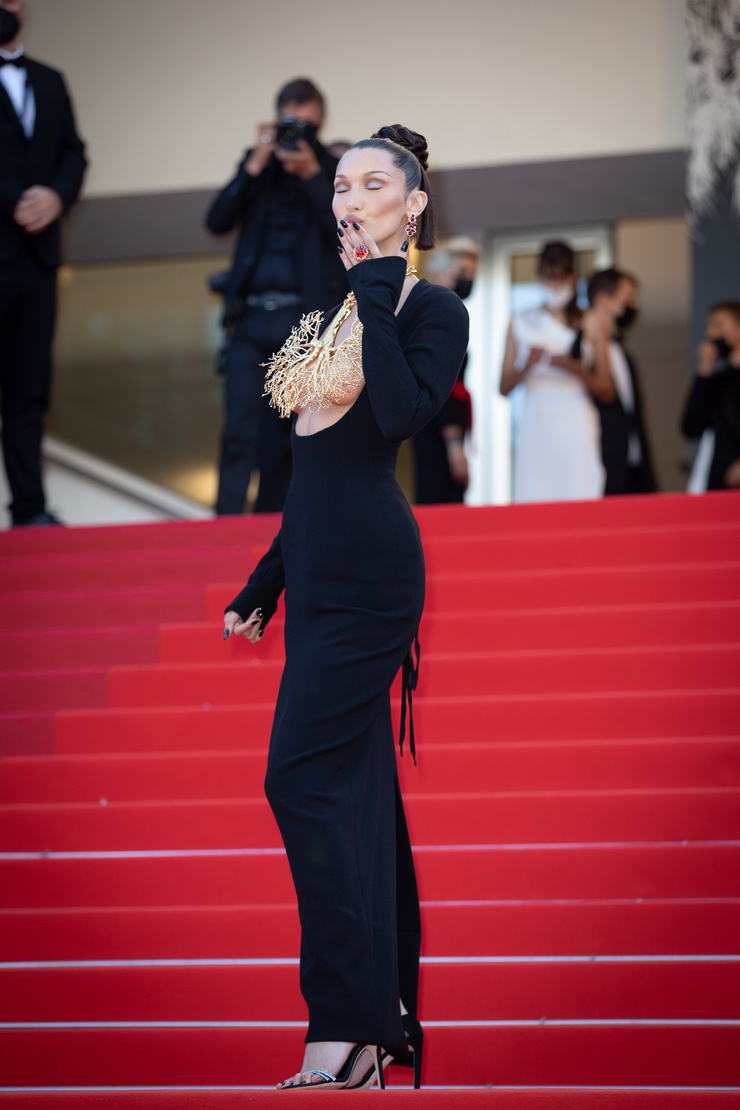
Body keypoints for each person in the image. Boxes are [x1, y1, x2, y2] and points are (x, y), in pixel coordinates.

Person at [223, 125, 469, 1089]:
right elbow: (312, 469)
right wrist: (268, 579)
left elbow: (404, 416)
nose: (350, 199)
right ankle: (377, 1025)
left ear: (413, 205)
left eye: (372, 184)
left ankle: (344, 1023)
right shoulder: (335, 312)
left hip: (372, 578)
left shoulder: (430, 305)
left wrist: (377, 287)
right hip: (318, 572)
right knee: (357, 803)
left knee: (297, 780)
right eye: (340, 185)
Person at [205, 77, 346, 515]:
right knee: (238, 427)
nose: (296, 133)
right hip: (249, 317)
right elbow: (216, 220)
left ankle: (279, 523)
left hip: (303, 319)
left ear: (320, 120)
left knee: (290, 432)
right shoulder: (258, 164)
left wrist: (312, 176)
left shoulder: (333, 169)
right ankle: (226, 521)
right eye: (289, 123)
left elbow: (344, 231)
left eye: (305, 123)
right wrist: (256, 161)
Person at [0, 0, 86, 527]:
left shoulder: (50, 80)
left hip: (37, 261)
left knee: (29, 390)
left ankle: (29, 508)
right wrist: (17, 200)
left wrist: (55, 196)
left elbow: (75, 153)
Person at [499, 240, 614, 503]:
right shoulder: (520, 321)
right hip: (536, 417)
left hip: (576, 416)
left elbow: (608, 390)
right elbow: (503, 387)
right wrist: (527, 367)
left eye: (560, 279)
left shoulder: (591, 322)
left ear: (572, 278)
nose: (554, 286)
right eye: (548, 278)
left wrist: (577, 371)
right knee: (535, 491)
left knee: (579, 487)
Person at [412, 236, 480, 503]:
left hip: (441, 426)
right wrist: (454, 446)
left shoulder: (445, 313)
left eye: (472, 274)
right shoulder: (437, 316)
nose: (468, 280)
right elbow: (439, 382)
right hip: (437, 428)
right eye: (462, 273)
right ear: (439, 273)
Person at [587, 268, 657, 495]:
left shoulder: (623, 354)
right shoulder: (583, 353)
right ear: (603, 300)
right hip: (601, 468)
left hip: (634, 468)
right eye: (627, 299)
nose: (633, 306)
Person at [681, 301, 740, 490]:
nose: (710, 333)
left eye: (718, 325)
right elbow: (691, 428)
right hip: (720, 484)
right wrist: (703, 374)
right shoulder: (715, 382)